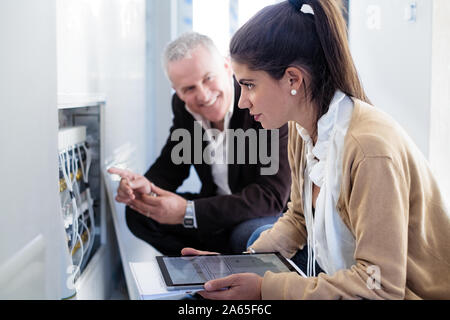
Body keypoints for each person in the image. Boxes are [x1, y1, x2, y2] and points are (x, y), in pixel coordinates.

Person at [192, 0, 450, 300]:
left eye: (249, 85)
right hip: (347, 272)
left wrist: (265, 288)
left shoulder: (369, 150)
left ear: (293, 79)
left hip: (406, 293)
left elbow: (381, 287)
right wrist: (232, 266)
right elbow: (299, 218)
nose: (242, 101)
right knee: (241, 257)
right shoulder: (303, 130)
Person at [108, 32, 291, 255]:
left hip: (260, 214)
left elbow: (271, 196)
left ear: (227, 67)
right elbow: (172, 165)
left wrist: (189, 212)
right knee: (140, 213)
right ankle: (201, 267)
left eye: (208, 78)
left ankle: (221, 264)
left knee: (250, 235)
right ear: (178, 92)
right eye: (189, 89)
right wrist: (144, 187)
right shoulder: (183, 106)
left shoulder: (260, 101)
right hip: (214, 211)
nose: (203, 95)